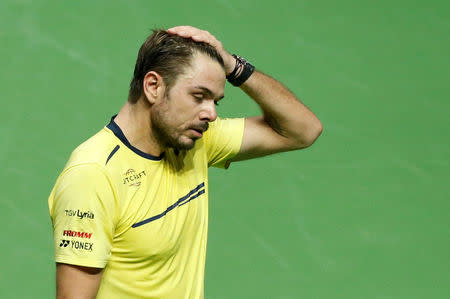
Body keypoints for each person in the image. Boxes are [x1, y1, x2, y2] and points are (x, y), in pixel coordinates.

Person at [48, 25, 322, 299]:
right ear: (153, 86)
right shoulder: (93, 175)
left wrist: (233, 66)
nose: (211, 114)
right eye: (198, 96)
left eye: (216, 101)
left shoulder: (197, 142)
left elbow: (303, 130)